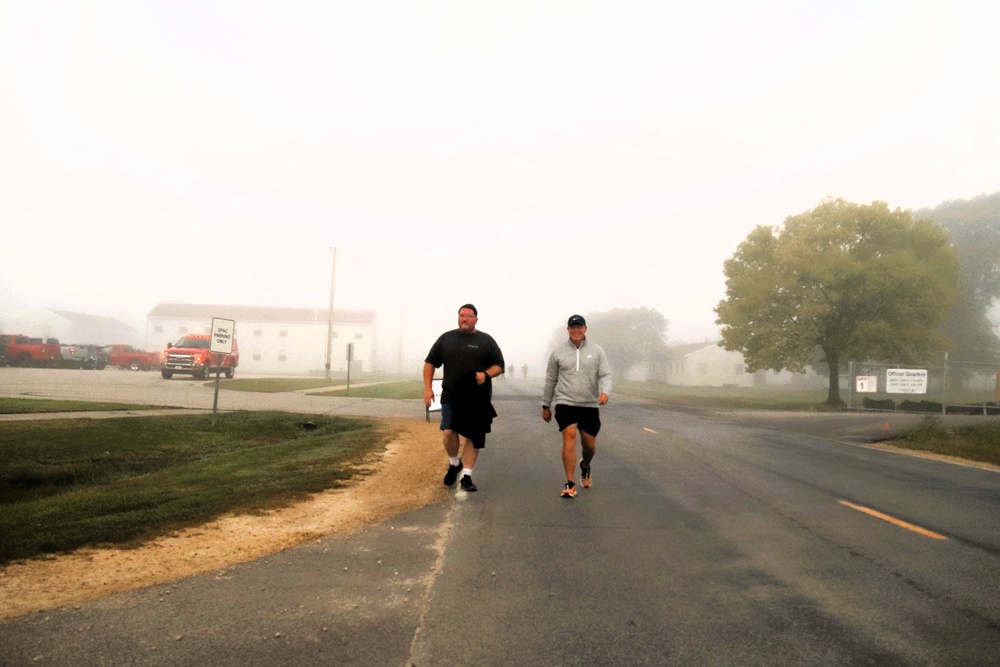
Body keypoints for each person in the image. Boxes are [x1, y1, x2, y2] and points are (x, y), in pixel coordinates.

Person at [423, 303, 505, 492]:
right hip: (452, 395)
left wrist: (485, 374)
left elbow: (499, 365)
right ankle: (454, 463)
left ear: (476, 319)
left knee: (473, 437)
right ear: (458, 318)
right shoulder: (446, 339)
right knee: (448, 432)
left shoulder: (486, 341)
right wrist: (427, 388)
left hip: (478, 398)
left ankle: (466, 476)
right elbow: (430, 363)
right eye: (461, 315)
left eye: (468, 316)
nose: (464, 319)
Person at [542, 314, 612, 498]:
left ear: (585, 329)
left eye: (579, 327)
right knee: (569, 436)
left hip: (589, 404)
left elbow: (605, 374)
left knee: (589, 446)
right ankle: (569, 483)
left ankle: (585, 465)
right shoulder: (558, 352)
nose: (576, 330)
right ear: (568, 330)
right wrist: (546, 405)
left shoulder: (597, 351)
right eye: (572, 327)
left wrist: (605, 392)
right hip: (566, 403)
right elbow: (551, 379)